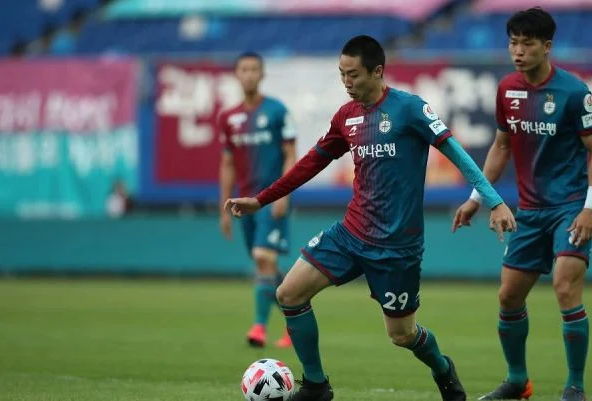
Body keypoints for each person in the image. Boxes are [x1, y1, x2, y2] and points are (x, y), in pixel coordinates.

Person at [225, 35, 516, 401]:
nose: (347, 82)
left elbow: (458, 154)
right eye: (341, 74)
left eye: (354, 74)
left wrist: (494, 201)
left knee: (402, 335)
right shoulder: (346, 117)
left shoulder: (410, 109)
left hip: (397, 247)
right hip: (351, 233)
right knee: (289, 293)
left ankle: (443, 369)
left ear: (377, 72)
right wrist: (262, 199)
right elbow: (310, 163)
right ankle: (316, 385)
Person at [451, 8, 592, 401]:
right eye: (513, 43)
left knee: (564, 286)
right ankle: (518, 381)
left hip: (570, 207)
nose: (518, 51)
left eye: (527, 43)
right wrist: (476, 198)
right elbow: (501, 147)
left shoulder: (574, 92)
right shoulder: (507, 89)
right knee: (508, 297)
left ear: (547, 46)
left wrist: (590, 209)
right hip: (529, 211)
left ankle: (575, 386)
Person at [217, 52, 294, 349]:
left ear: (262, 74)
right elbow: (227, 164)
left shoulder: (277, 111)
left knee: (263, 257)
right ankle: (296, 316)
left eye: (253, 69)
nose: (249, 74)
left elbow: (290, 155)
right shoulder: (228, 118)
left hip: (270, 198)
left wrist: (284, 194)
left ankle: (259, 327)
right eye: (244, 69)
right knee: (266, 266)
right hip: (243, 203)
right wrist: (224, 208)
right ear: (237, 74)